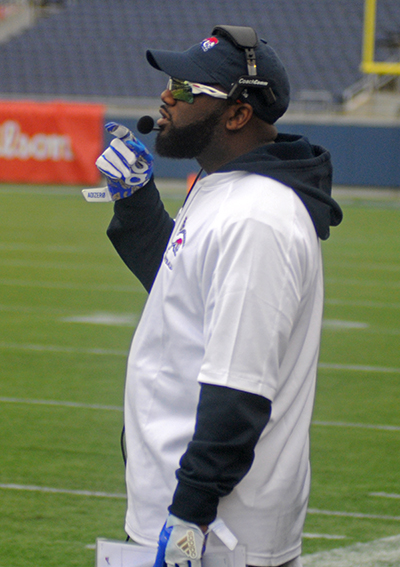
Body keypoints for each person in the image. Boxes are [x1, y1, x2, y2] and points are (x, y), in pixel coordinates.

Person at [95, 25, 343, 567]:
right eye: (170, 83)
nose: (166, 96)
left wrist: (189, 520)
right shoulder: (223, 186)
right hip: (193, 517)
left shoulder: (257, 216)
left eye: (186, 90)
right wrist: (137, 203)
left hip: (221, 536)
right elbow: (177, 285)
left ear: (236, 114)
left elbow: (239, 390)